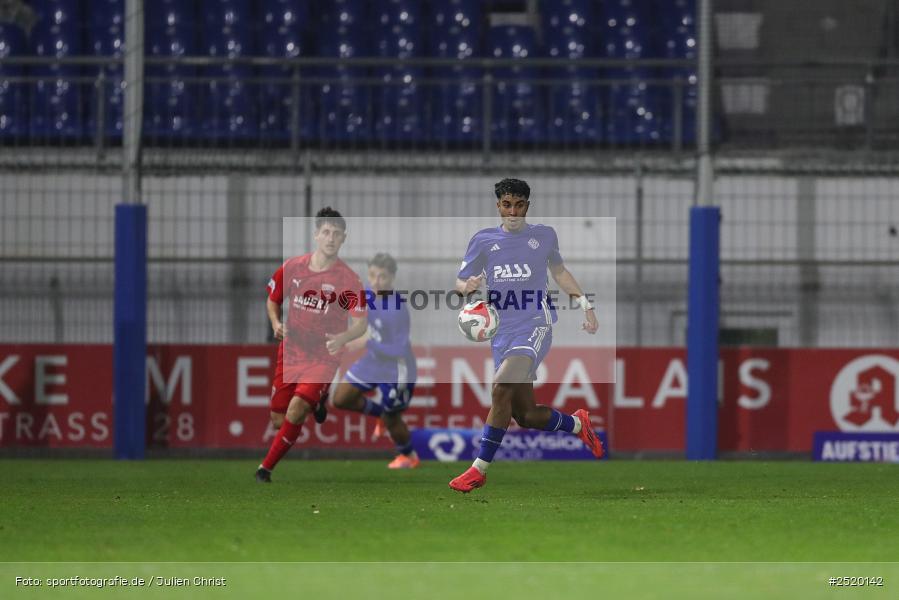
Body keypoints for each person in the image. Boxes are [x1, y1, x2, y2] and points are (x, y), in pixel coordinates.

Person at [449, 178, 604, 493]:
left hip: (535, 323)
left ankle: (479, 470)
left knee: (500, 387)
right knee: (526, 414)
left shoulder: (543, 236)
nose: (513, 211)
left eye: (519, 205)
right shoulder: (482, 240)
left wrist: (586, 305)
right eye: (507, 205)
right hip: (501, 330)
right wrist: (467, 287)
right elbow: (460, 282)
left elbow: (560, 272)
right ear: (499, 206)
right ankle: (577, 423)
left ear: (527, 206)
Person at [255, 207, 367, 483]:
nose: (331, 238)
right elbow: (273, 299)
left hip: (323, 357)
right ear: (316, 235)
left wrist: (342, 339)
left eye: (336, 234)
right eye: (326, 232)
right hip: (291, 353)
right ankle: (318, 403)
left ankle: (264, 470)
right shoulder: (292, 267)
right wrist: (275, 323)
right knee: (279, 420)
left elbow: (361, 323)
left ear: (343, 239)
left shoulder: (348, 280)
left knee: (296, 410)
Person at [330, 253, 420, 469]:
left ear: (392, 278)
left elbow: (399, 349)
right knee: (340, 398)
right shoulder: (367, 295)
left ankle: (409, 456)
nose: (376, 281)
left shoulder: (397, 309)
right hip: (373, 361)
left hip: (397, 368)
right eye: (372, 275)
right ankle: (379, 413)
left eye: (383, 277)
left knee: (392, 418)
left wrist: (365, 343)